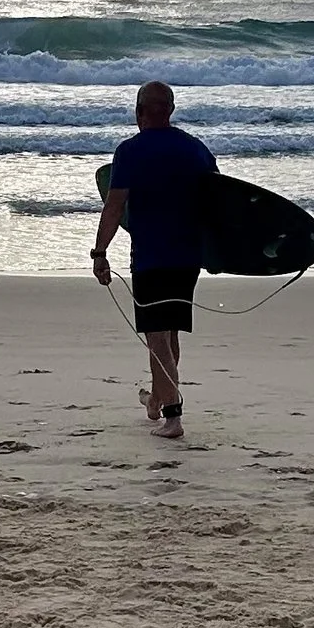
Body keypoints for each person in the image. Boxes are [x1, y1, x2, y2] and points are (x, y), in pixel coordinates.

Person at [92, 80, 217, 440]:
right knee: (168, 332)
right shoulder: (195, 149)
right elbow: (217, 202)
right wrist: (216, 252)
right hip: (187, 256)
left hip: (150, 256)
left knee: (157, 336)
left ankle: (173, 415)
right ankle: (157, 401)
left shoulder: (130, 151)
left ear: (139, 111)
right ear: (171, 110)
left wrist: (100, 253)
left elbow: (115, 206)